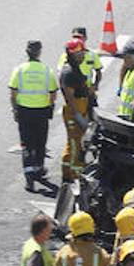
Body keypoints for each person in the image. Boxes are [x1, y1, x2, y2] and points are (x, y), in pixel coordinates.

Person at [8, 40, 59, 191]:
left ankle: (29, 177)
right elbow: (53, 93)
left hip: (24, 110)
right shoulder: (46, 70)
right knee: (40, 141)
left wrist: (15, 109)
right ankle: (39, 169)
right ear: (39, 52)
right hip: (41, 111)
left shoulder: (19, 70)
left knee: (26, 144)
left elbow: (13, 93)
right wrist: (50, 106)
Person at [58, 38, 92, 182]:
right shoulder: (69, 72)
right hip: (74, 110)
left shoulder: (74, 68)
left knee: (75, 142)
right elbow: (70, 96)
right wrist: (78, 114)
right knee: (75, 144)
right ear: (72, 54)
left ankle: (69, 170)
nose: (83, 55)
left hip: (80, 107)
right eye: (80, 53)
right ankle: (74, 175)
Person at [55, 26, 103, 94]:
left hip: (87, 89)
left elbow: (98, 72)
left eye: (80, 37)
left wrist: (95, 85)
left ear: (85, 38)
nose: (77, 39)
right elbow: (61, 74)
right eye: (74, 37)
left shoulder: (92, 55)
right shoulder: (65, 55)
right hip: (72, 89)